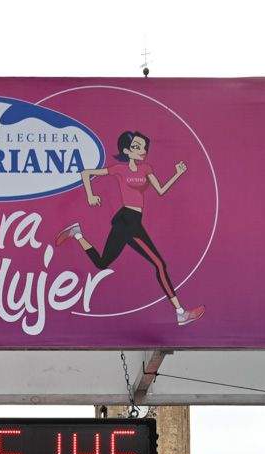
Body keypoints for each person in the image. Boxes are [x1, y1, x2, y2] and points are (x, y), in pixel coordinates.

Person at [57, 129, 205, 327]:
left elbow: (160, 190)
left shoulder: (146, 169)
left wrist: (177, 174)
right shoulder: (119, 169)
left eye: (143, 147)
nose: (142, 150)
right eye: (137, 147)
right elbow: (86, 173)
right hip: (127, 220)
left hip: (131, 220)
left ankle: (77, 234)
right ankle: (180, 313)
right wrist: (90, 195)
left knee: (101, 263)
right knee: (159, 264)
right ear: (127, 151)